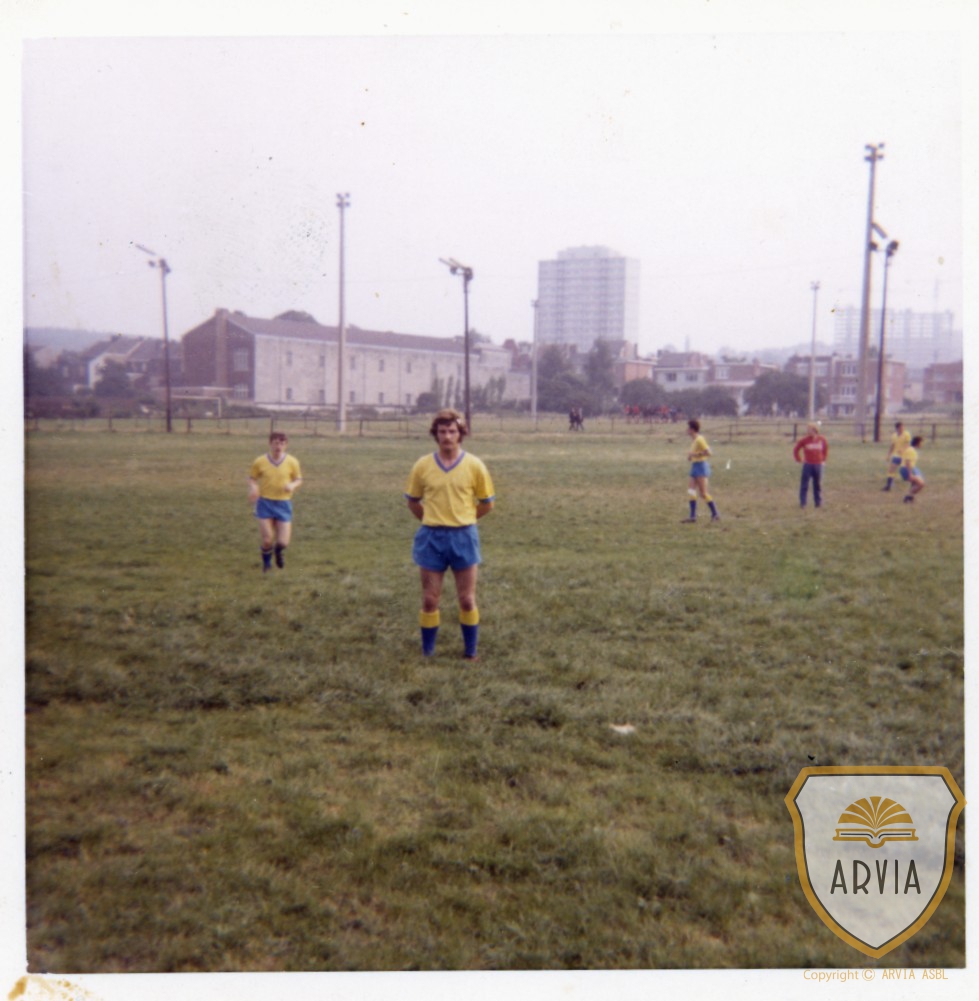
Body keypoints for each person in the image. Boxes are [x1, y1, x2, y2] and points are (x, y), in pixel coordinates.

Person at [404, 409, 495, 660]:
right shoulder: (422, 465)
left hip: (464, 537)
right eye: (442, 432)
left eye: (452, 431)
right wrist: (433, 521)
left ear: (461, 434)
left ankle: (471, 652)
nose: (447, 436)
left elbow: (487, 503)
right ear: (436, 434)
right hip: (432, 538)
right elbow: (412, 501)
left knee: (467, 599)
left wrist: (463, 520)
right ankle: (428, 653)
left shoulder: (474, 465)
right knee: (430, 600)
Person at [248, 431, 303, 572]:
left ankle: (278, 552)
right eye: (276, 443)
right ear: (270, 444)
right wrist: (254, 488)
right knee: (267, 539)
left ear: (286, 445)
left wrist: (292, 485)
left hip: (283, 504)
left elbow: (299, 479)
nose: (279, 446)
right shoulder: (260, 461)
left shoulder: (292, 462)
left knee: (283, 542)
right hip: (265, 503)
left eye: (282, 443)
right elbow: (252, 478)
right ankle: (266, 564)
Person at [682, 418, 720, 522]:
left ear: (692, 429)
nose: (687, 430)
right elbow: (695, 453)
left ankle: (715, 514)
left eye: (688, 428)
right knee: (691, 491)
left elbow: (708, 452)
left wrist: (695, 455)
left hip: (701, 467)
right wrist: (691, 457)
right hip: (694, 466)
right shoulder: (694, 440)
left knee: (703, 493)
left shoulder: (700, 439)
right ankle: (692, 516)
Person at [793, 422, 829, 508]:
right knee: (804, 484)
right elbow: (796, 449)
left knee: (817, 485)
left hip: (818, 465)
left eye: (811, 430)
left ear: (815, 431)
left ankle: (818, 503)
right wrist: (798, 459)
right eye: (808, 430)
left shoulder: (822, 440)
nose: (809, 432)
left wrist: (823, 460)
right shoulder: (804, 440)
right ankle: (803, 503)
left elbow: (825, 451)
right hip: (808, 465)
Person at [882, 420, 912, 491]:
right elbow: (892, 446)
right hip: (896, 455)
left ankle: (914, 483)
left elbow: (908, 444)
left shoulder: (907, 434)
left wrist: (903, 450)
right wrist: (888, 455)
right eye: (901, 428)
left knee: (909, 471)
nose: (902, 429)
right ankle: (888, 486)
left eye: (903, 427)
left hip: (905, 456)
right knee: (891, 470)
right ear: (897, 428)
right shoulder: (894, 436)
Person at [900, 435, 925, 503]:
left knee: (916, 483)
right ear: (918, 443)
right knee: (921, 484)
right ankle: (908, 496)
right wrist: (910, 474)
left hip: (909, 468)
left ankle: (910, 498)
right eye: (921, 442)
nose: (922, 444)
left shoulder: (911, 449)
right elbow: (908, 462)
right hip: (906, 469)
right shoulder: (911, 451)